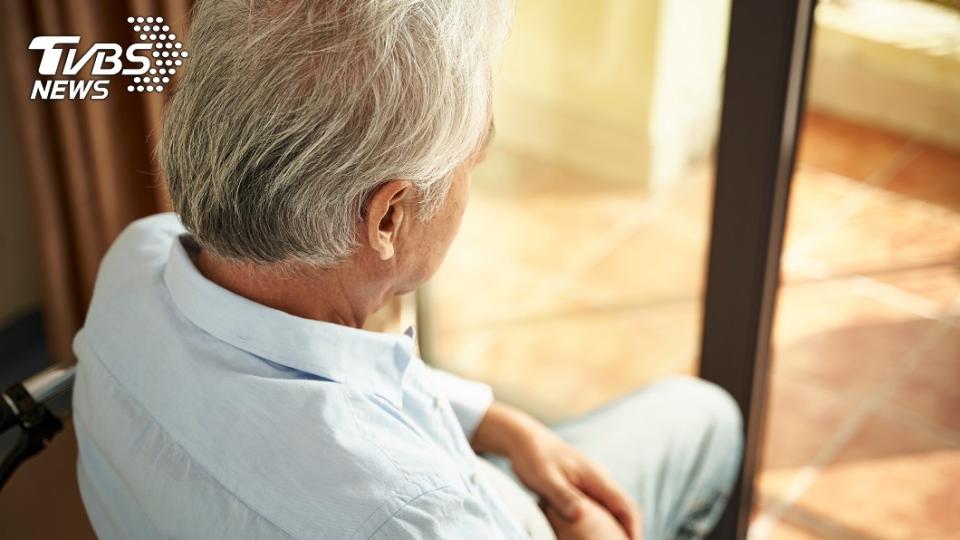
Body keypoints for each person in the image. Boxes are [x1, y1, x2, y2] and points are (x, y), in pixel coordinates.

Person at [72, 1, 742, 538]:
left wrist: (499, 423)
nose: (475, 170)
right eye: (476, 151)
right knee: (705, 417)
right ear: (387, 218)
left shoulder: (138, 261)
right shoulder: (419, 519)